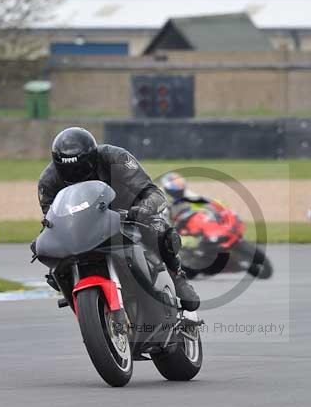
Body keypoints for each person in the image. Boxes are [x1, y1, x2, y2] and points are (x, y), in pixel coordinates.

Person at [36, 127, 200, 311]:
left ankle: (178, 278)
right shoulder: (48, 181)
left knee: (159, 230)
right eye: (69, 170)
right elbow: (52, 217)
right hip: (86, 226)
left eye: (80, 167)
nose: (76, 174)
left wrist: (143, 208)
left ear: (93, 157)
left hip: (127, 215)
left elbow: (152, 192)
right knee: (48, 256)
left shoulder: (116, 158)